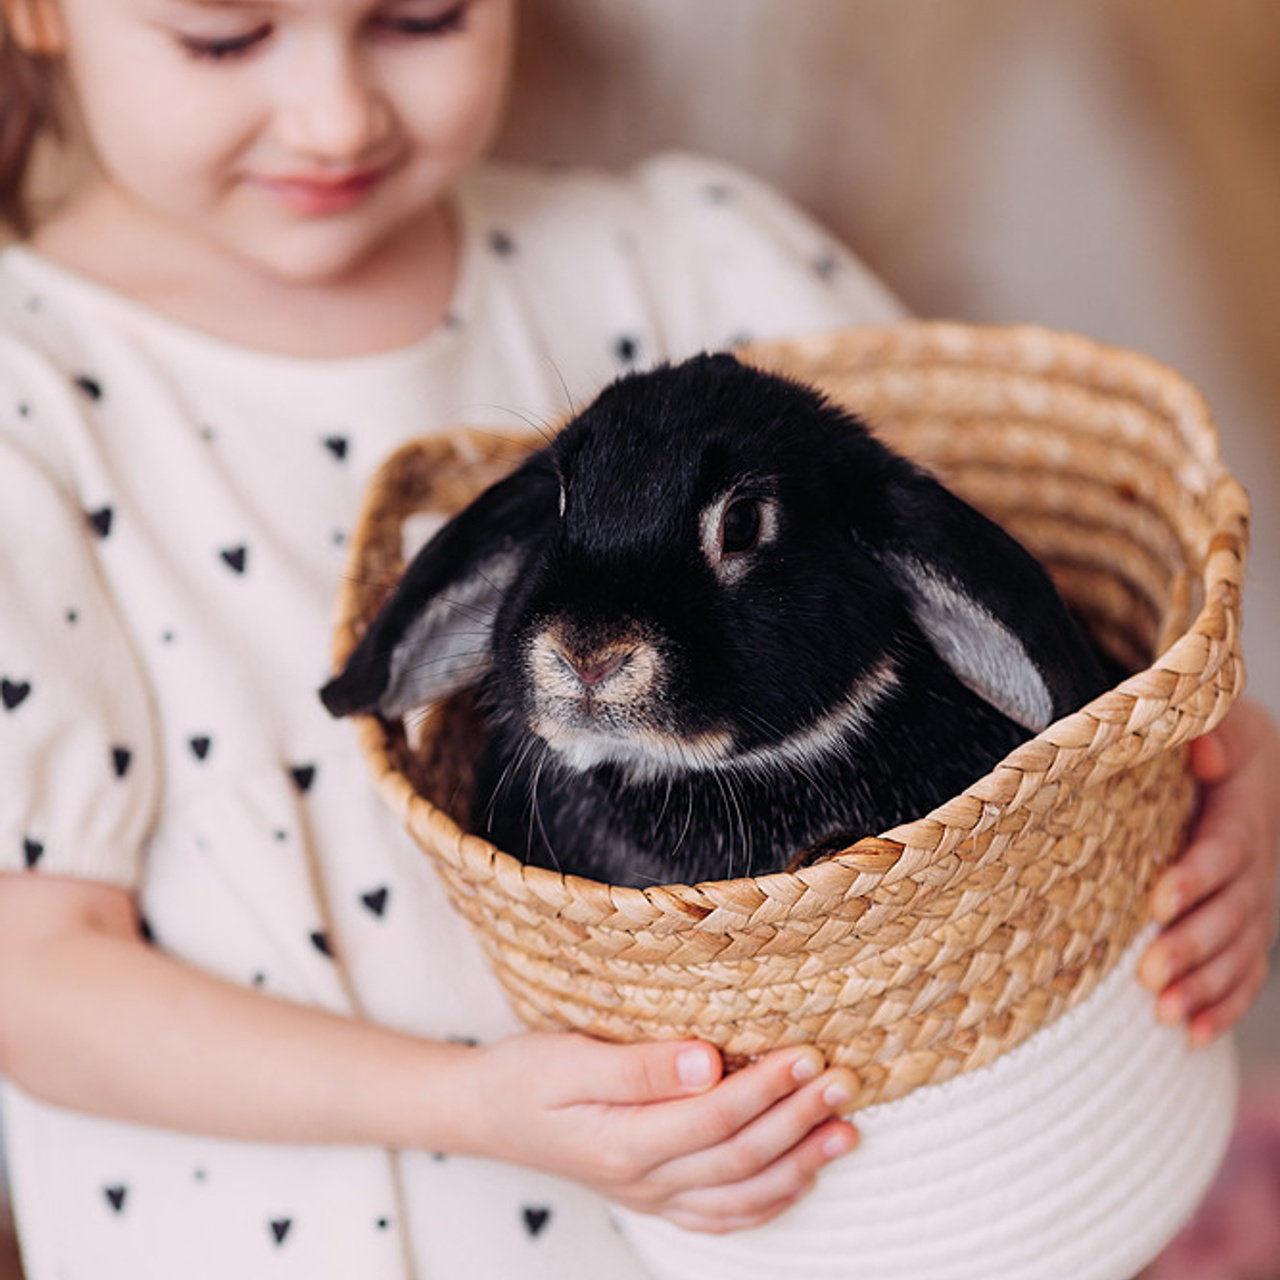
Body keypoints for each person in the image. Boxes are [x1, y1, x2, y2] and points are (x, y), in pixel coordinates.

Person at [0, 1, 1274, 1278]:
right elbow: (34, 978)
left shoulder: (683, 257)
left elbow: (1018, 590)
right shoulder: (30, 407)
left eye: (421, 17)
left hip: (826, 1227)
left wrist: (1207, 766)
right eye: (223, 38)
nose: (335, 117)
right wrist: (468, 1105)